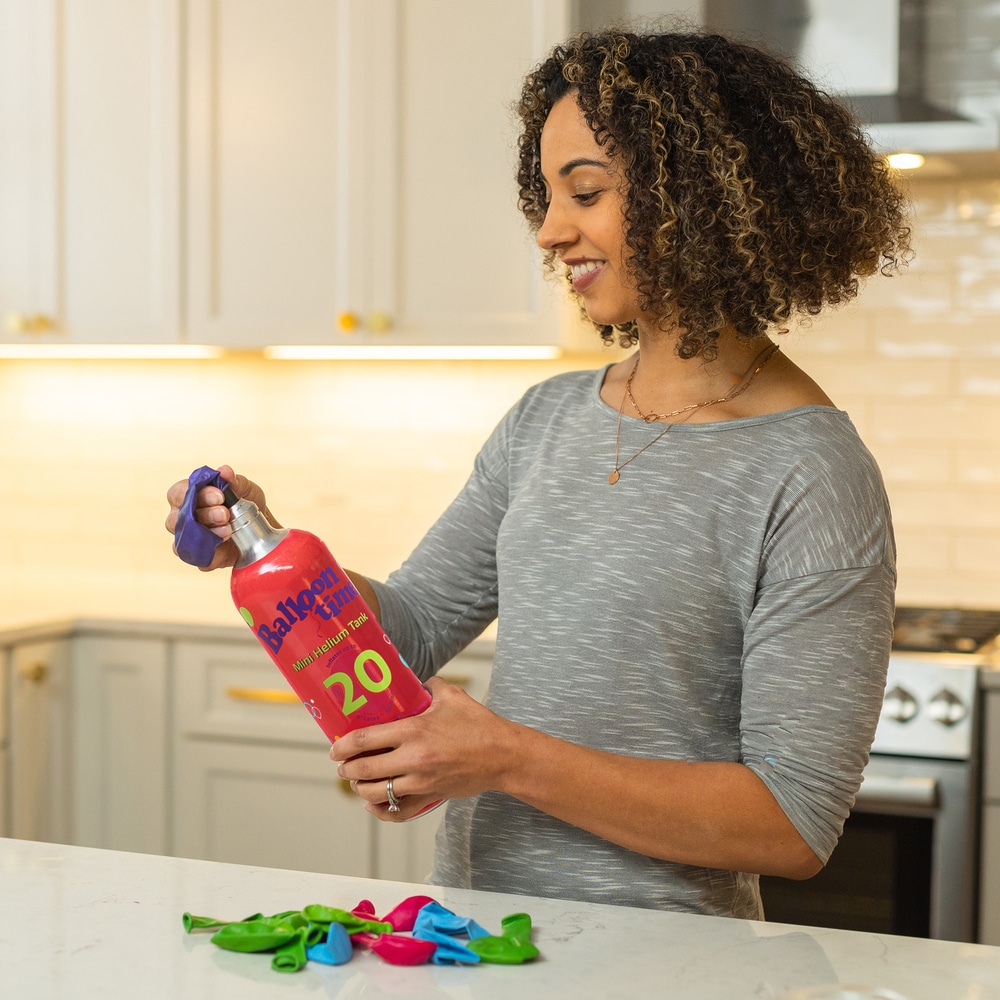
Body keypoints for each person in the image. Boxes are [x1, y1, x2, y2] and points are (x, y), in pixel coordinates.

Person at [165, 27, 909, 920]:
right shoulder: (547, 419)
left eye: (586, 192)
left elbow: (792, 824)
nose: (553, 231)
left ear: (699, 197)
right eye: (548, 195)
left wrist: (508, 756)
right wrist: (267, 546)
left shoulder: (812, 469)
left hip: (668, 971)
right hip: (485, 939)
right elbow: (409, 632)